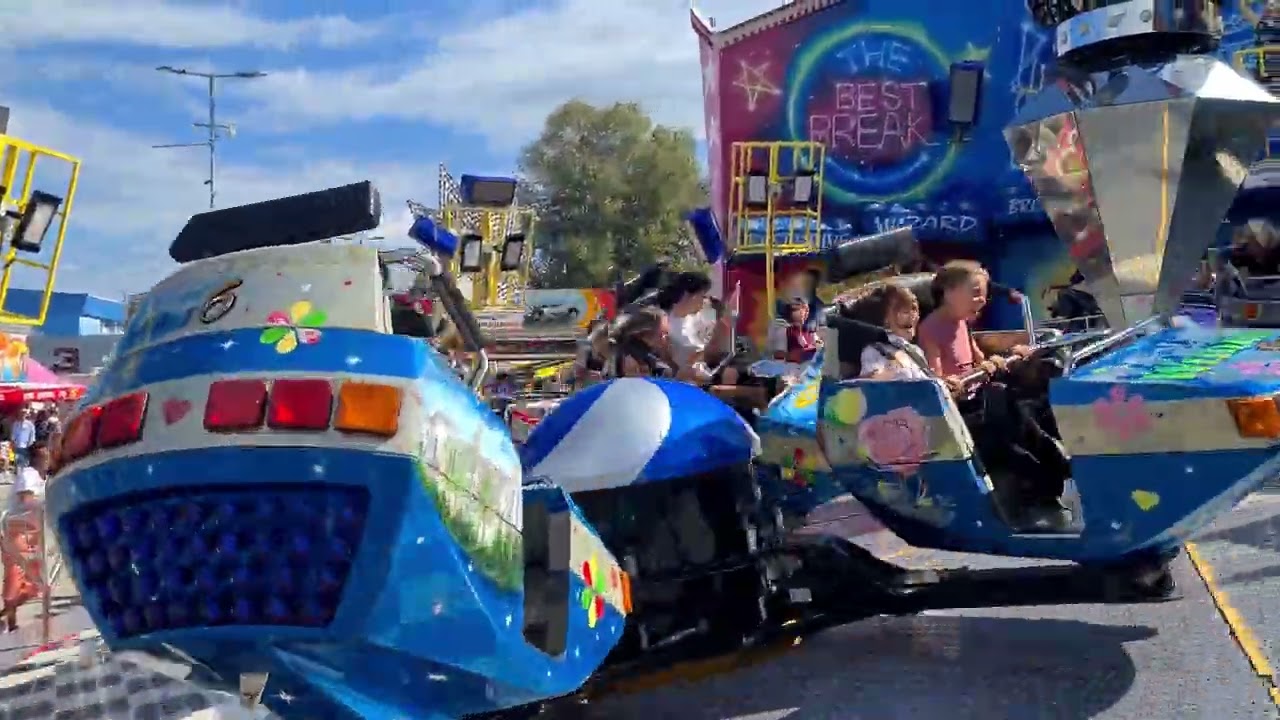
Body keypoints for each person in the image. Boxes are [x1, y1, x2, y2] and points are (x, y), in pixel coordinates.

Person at [658, 272, 739, 385]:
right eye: (702, 296)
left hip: (704, 375)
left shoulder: (694, 319)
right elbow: (709, 353)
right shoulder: (667, 325)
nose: (704, 301)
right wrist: (721, 320)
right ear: (688, 295)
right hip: (688, 383)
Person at [2, 446, 48, 632]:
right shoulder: (28, 474)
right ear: (39, 458)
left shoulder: (41, 478)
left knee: (34, 584)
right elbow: (27, 500)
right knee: (15, 574)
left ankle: (7, 613)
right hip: (15, 529)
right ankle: (11, 622)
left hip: (30, 531)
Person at [855, 285, 931, 381]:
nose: (912, 315)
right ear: (885, 318)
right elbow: (872, 385)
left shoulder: (916, 352)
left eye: (914, 309)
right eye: (904, 311)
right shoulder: (875, 351)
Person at [610, 306, 674, 378]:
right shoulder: (630, 356)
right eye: (661, 334)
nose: (665, 338)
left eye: (666, 333)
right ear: (644, 333)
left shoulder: (648, 351)